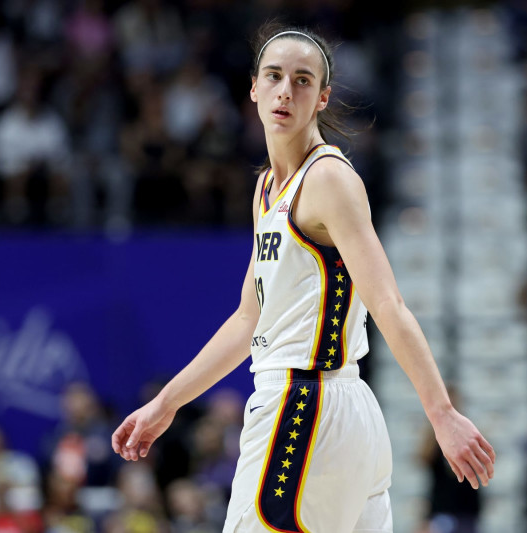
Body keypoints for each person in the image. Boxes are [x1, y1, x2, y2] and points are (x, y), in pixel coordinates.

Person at [112, 22, 495, 532]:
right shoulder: (267, 189)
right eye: (274, 76)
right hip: (341, 416)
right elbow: (250, 319)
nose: (285, 91)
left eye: (302, 80)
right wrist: (168, 403)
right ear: (253, 88)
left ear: (321, 98)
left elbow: (388, 304)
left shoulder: (329, 179)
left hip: (305, 406)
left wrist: (441, 412)